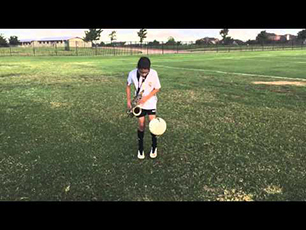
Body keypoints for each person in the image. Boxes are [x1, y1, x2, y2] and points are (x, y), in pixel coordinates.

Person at [126, 57, 161, 159]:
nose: (143, 74)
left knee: (152, 123)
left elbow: (157, 88)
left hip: (150, 102)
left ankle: (154, 147)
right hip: (139, 104)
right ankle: (140, 148)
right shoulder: (132, 73)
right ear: (138, 68)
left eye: (146, 72)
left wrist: (146, 98)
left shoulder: (153, 73)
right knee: (141, 125)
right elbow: (128, 85)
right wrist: (128, 100)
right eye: (142, 72)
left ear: (149, 69)